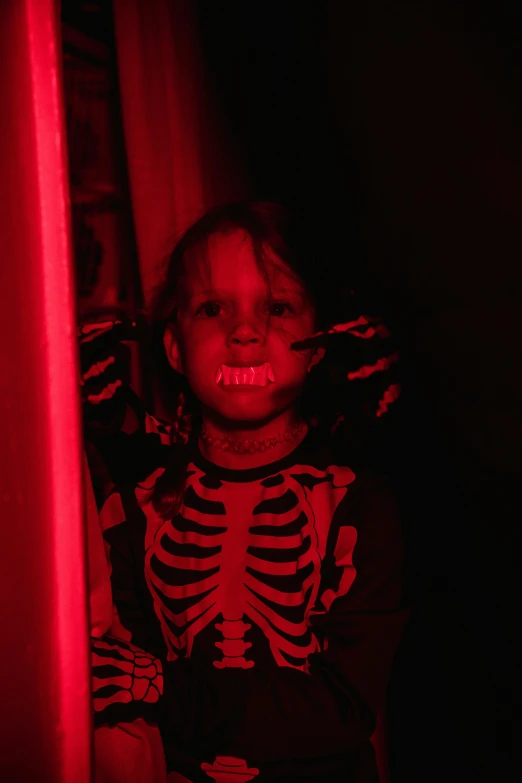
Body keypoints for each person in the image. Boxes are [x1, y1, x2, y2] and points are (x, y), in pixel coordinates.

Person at [85, 201, 408, 782]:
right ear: (174, 347)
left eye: (278, 308)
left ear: (320, 338)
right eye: (213, 308)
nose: (245, 332)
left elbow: (343, 705)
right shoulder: (140, 502)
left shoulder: (358, 501)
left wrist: (159, 687)